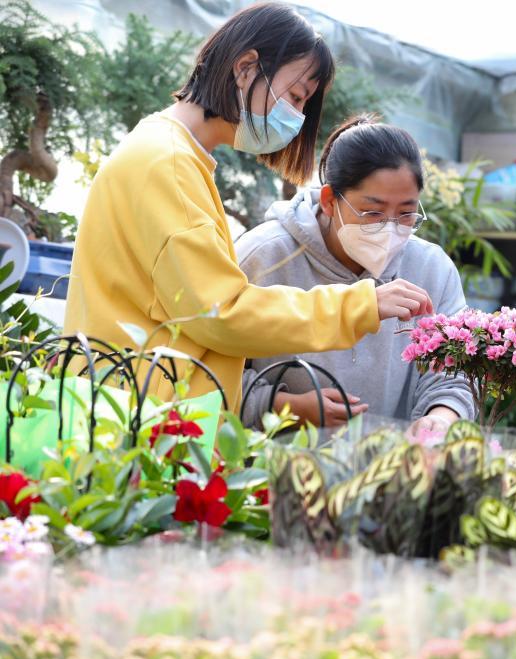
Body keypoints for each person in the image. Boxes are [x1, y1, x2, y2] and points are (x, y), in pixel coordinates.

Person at [63, 2, 431, 412]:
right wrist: (361, 304)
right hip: (138, 419)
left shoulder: (171, 154)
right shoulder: (166, 163)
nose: (295, 115)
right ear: (245, 68)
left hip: (134, 407)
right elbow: (222, 312)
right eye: (295, 96)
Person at [236, 116, 473, 435]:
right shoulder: (264, 257)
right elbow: (207, 369)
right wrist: (279, 406)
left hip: (391, 474)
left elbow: (453, 373)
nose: (389, 228)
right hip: (272, 473)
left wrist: (440, 417)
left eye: (406, 213)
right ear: (330, 201)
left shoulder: (431, 268)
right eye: (372, 212)